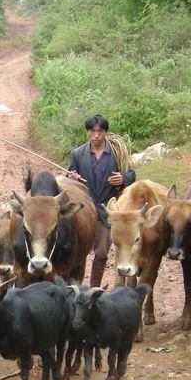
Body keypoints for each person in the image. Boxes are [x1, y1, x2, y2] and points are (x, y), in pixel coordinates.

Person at [68, 114, 135, 287]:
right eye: (93, 131)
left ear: (106, 132)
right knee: (79, 252)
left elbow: (132, 174)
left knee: (102, 253)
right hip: (84, 211)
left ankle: (94, 289)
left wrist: (123, 178)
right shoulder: (77, 154)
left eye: (100, 131)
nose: (96, 136)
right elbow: (68, 176)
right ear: (87, 132)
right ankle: (76, 288)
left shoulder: (116, 153)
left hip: (106, 210)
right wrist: (72, 178)